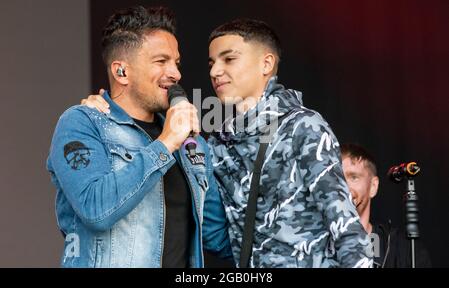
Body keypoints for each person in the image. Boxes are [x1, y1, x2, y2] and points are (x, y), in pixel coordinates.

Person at [83, 18, 373, 268]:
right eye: (212, 62)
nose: (214, 71)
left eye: (229, 59)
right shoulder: (218, 143)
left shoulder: (302, 126)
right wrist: (109, 108)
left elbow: (346, 229)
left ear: (266, 63)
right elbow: (217, 235)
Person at [47, 6, 232, 268]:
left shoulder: (191, 143)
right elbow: (96, 209)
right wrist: (165, 143)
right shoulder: (82, 122)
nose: (176, 73)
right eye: (161, 61)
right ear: (121, 71)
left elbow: (216, 235)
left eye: (176, 63)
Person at [341, 143, 432, 267]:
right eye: (337, 178)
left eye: (354, 177)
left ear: (373, 187)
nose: (344, 187)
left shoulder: (401, 249)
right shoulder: (312, 243)